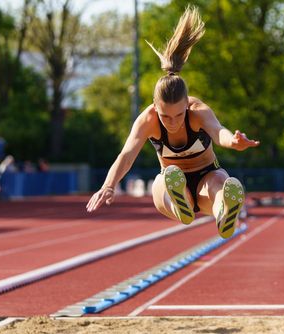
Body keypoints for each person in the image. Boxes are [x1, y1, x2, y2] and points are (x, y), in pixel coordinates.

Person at [86, 7, 260, 239]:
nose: (173, 122)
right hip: (172, 180)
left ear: (187, 104)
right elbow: (126, 155)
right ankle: (181, 204)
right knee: (163, 182)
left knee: (220, 182)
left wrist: (234, 141)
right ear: (155, 107)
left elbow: (219, 133)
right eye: (165, 116)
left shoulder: (197, 111)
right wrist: (109, 184)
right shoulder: (147, 119)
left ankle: (224, 212)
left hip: (206, 176)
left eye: (179, 115)